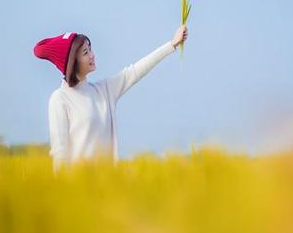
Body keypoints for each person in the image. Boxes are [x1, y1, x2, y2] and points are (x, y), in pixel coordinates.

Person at [34, 24, 188, 172]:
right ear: (72, 62)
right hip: (77, 188)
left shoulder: (104, 91)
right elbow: (60, 152)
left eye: (90, 49)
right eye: (85, 52)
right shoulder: (60, 99)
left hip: (107, 186)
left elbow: (134, 71)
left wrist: (172, 44)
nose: (92, 55)